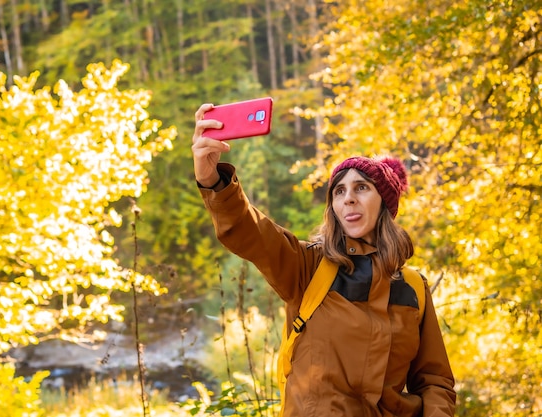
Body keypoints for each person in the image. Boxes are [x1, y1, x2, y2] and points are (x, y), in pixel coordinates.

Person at [191, 102, 457, 416]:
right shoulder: (306, 267)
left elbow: (435, 381)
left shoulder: (412, 287)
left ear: (385, 203)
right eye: (339, 191)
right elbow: (252, 231)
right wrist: (213, 182)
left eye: (361, 187)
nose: (349, 199)